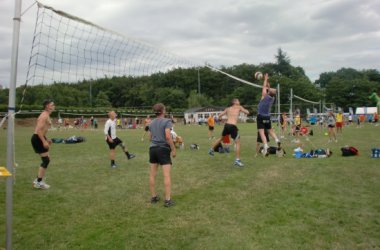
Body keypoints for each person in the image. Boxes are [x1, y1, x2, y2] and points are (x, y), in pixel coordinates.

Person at [148, 103, 176, 207]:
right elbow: (168, 137)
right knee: (166, 175)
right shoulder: (167, 121)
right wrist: (173, 149)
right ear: (163, 111)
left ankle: (153, 197)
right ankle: (168, 200)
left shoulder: (151, 123)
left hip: (152, 149)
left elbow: (149, 138)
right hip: (163, 149)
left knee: (152, 174)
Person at [208, 98, 249, 167]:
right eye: (238, 100)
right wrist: (243, 109)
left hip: (227, 125)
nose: (239, 101)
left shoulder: (228, 109)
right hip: (232, 126)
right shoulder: (239, 107)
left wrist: (222, 120)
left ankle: (211, 149)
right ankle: (237, 160)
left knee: (221, 138)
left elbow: (220, 116)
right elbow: (247, 112)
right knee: (238, 142)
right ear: (235, 102)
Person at [31, 100, 55, 189]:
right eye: (52, 105)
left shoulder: (47, 115)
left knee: (47, 159)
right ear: (47, 106)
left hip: (40, 137)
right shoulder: (44, 115)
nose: (54, 106)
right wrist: (44, 141)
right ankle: (38, 182)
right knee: (46, 160)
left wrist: (46, 139)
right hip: (37, 138)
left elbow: (43, 130)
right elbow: (38, 130)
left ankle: (38, 180)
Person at [257, 73, 280, 156]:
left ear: (268, 92)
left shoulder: (264, 96)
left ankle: (266, 146)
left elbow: (263, 88)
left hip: (260, 116)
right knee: (270, 130)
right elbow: (269, 91)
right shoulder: (272, 98)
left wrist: (265, 79)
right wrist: (269, 87)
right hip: (267, 116)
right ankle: (277, 140)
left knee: (262, 132)